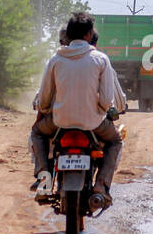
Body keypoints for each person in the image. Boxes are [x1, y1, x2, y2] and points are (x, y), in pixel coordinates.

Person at [30, 12, 126, 208]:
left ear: (69, 35)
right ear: (89, 35)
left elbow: (45, 97)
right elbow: (108, 100)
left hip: (59, 122)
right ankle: (100, 186)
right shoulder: (101, 59)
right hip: (94, 123)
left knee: (37, 133)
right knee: (115, 140)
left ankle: (44, 182)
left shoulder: (55, 59)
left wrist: (48, 109)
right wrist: (99, 110)